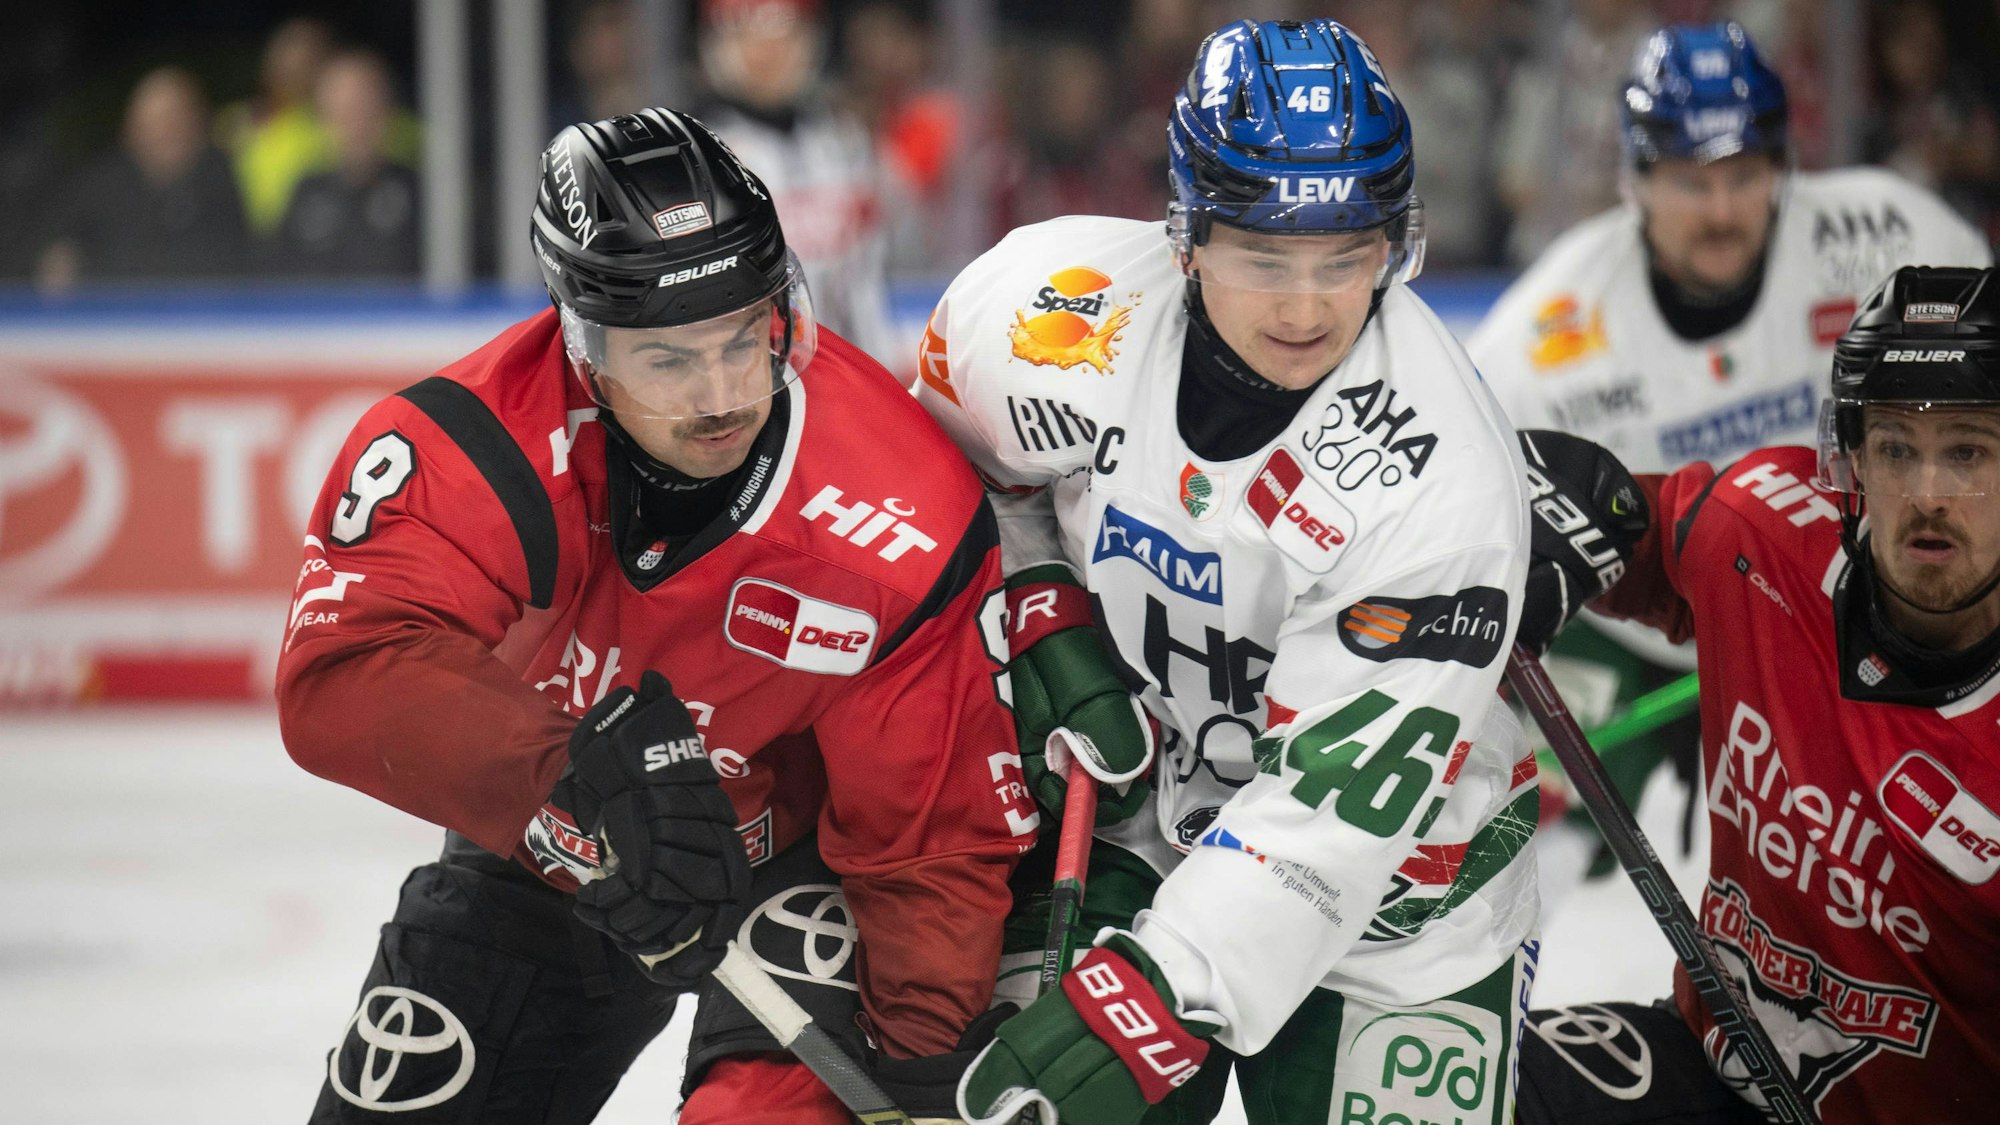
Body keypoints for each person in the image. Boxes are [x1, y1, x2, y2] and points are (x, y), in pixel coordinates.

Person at [277, 107, 1035, 1124]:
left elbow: (927, 834)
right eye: (669, 361)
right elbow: (341, 670)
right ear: (583, 345)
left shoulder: (901, 507)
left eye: (743, 340)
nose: (722, 393)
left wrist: (918, 1055)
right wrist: (570, 789)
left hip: (807, 863)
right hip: (560, 829)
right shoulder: (480, 441)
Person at [916, 20, 1541, 1125]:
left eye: (1346, 258)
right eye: (1263, 256)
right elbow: (945, 482)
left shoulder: (1443, 485)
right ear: (1186, 235)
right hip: (1132, 818)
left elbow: (1326, 819)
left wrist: (1152, 999)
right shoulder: (1044, 313)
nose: (1305, 308)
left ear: (1397, 243)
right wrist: (1037, 603)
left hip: (1395, 899)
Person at [1470, 21, 1992, 879]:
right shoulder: (1546, 325)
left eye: (1745, 176)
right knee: (1523, 834)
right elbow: (1473, 497)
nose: (1720, 211)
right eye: (1689, 181)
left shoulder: (1889, 234)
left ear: (1783, 164)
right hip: (1641, 628)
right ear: (1634, 178)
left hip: (1854, 618)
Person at [1514, 265, 2000, 1123]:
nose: (1927, 495)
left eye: (1966, 450)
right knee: (1461, 1081)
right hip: (1707, 1064)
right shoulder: (1765, 533)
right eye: (1896, 448)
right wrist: (1540, 511)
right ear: (1850, 459)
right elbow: (1631, 531)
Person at [696, 0, 899, 369]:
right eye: (746, 33)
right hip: (748, 382)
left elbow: (867, 278)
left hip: (848, 375)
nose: (768, 51)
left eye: (785, 32)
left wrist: (879, 372)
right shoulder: (699, 155)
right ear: (715, 44)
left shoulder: (846, 143)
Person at [34, 65, 249, 290]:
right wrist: (60, 256)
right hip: (114, 318)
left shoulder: (230, 183)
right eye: (154, 123)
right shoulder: (100, 188)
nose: (166, 132)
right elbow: (55, 246)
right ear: (130, 131)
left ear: (199, 123)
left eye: (175, 119)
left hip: (204, 319)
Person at [267, 50, 419, 278]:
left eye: (364, 107)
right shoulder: (306, 193)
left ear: (387, 112)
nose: (355, 123)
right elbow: (276, 280)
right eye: (342, 110)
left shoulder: (423, 194)